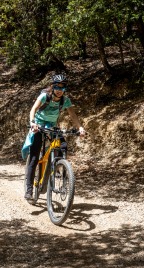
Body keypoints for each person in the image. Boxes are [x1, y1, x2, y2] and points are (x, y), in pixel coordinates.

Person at [24, 74, 85, 202]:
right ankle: (29, 190)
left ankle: (60, 169)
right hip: (38, 126)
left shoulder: (65, 100)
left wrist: (80, 127)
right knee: (34, 157)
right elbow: (33, 109)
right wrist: (32, 123)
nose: (59, 90)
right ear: (53, 86)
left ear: (65, 89)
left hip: (52, 126)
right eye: (57, 87)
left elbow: (73, 115)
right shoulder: (45, 96)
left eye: (62, 88)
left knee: (63, 146)